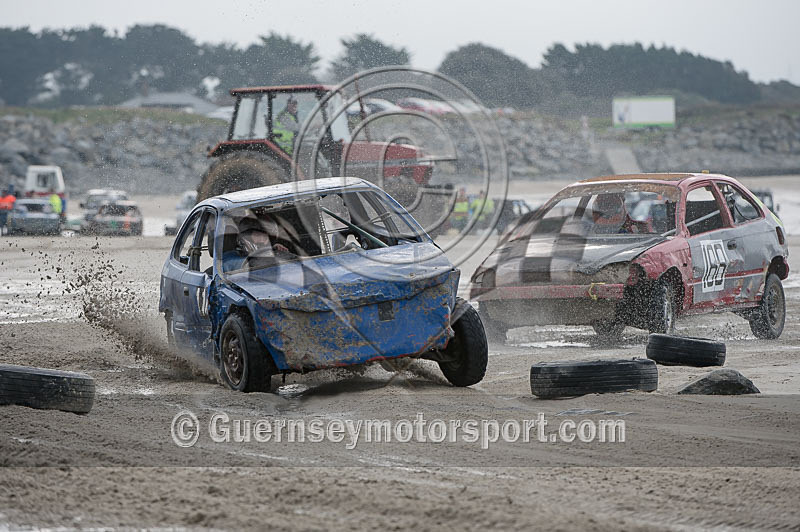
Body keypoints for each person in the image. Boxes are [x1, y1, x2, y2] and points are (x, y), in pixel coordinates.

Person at [222, 215, 295, 272]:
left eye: (266, 236)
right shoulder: (229, 259)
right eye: (257, 235)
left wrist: (281, 254)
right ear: (246, 237)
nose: (262, 239)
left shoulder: (274, 253)